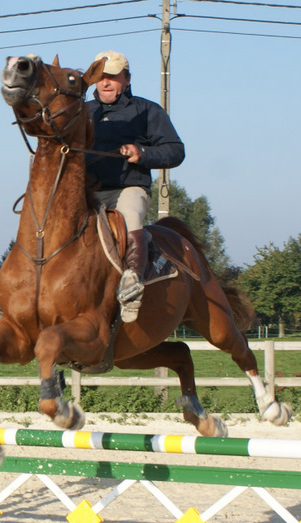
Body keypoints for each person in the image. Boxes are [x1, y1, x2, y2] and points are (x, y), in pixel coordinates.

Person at [87, 50, 185, 322]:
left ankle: (132, 282)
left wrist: (142, 153)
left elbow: (176, 151)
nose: (106, 83)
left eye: (113, 77)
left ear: (126, 79)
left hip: (129, 189)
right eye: (100, 77)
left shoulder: (147, 110)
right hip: (89, 194)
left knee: (131, 215)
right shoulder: (83, 112)